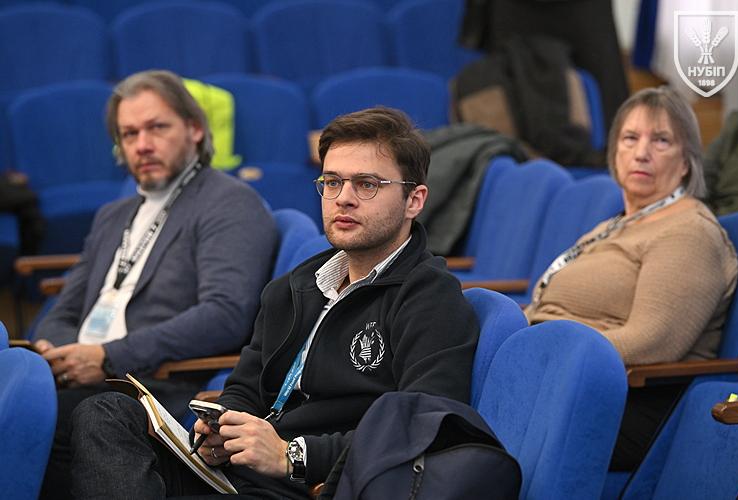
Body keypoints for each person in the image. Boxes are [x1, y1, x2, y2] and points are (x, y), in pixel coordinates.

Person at [67, 107, 480, 499]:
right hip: (238, 467)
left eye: (367, 184)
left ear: (414, 200)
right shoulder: (295, 286)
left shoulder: (429, 298)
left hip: (306, 483)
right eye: (332, 182)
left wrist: (291, 455)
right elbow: (245, 387)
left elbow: (423, 429)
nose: (344, 198)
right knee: (104, 413)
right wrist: (221, 426)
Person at [35, 70, 277, 497]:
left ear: (195, 129)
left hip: (156, 385)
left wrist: (108, 357)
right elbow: (65, 310)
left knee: (39, 417)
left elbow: (225, 314)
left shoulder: (229, 202)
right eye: (129, 134)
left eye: (157, 128)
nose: (142, 145)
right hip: (84, 378)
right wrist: (64, 356)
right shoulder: (112, 215)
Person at [524, 86, 738, 470]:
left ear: (687, 161)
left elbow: (650, 341)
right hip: (564, 377)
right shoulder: (613, 226)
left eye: (661, 140)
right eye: (630, 138)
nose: (642, 152)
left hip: (624, 401)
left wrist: (539, 358)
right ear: (614, 153)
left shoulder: (689, 232)